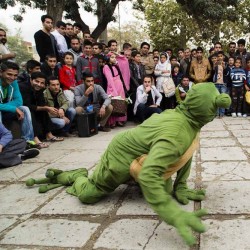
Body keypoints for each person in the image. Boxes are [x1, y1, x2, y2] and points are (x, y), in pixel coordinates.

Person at [29, 83, 231, 247]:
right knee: (88, 195)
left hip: (141, 157)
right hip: (120, 156)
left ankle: (142, 179)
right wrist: (172, 212)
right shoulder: (177, 132)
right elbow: (149, 175)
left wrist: (181, 186)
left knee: (165, 188)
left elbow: (187, 152)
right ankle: (76, 175)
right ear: (207, 112)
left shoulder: (190, 123)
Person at [20, 71, 64, 146]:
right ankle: (34, 139)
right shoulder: (23, 87)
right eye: (36, 81)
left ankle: (49, 135)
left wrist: (49, 109)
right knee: (30, 111)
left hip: (33, 110)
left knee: (44, 109)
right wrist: (45, 108)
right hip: (22, 110)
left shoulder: (40, 89)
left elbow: (41, 104)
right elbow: (27, 105)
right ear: (31, 80)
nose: (39, 84)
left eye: (42, 83)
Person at [0, 62, 35, 145]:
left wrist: (6, 107)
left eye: (15, 75)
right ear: (1, 72)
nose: (12, 78)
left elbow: (19, 101)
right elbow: (15, 105)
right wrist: (13, 108)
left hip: (5, 111)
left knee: (24, 109)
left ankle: (27, 141)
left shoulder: (14, 82)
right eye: (9, 74)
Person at [103, 52, 127, 128]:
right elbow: (109, 79)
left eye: (114, 57)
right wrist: (113, 90)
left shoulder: (116, 65)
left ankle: (120, 120)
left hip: (119, 85)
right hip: (113, 86)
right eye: (112, 57)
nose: (114, 59)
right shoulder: (106, 67)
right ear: (108, 58)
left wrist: (117, 54)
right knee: (113, 103)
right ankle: (112, 121)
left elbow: (124, 59)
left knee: (120, 103)